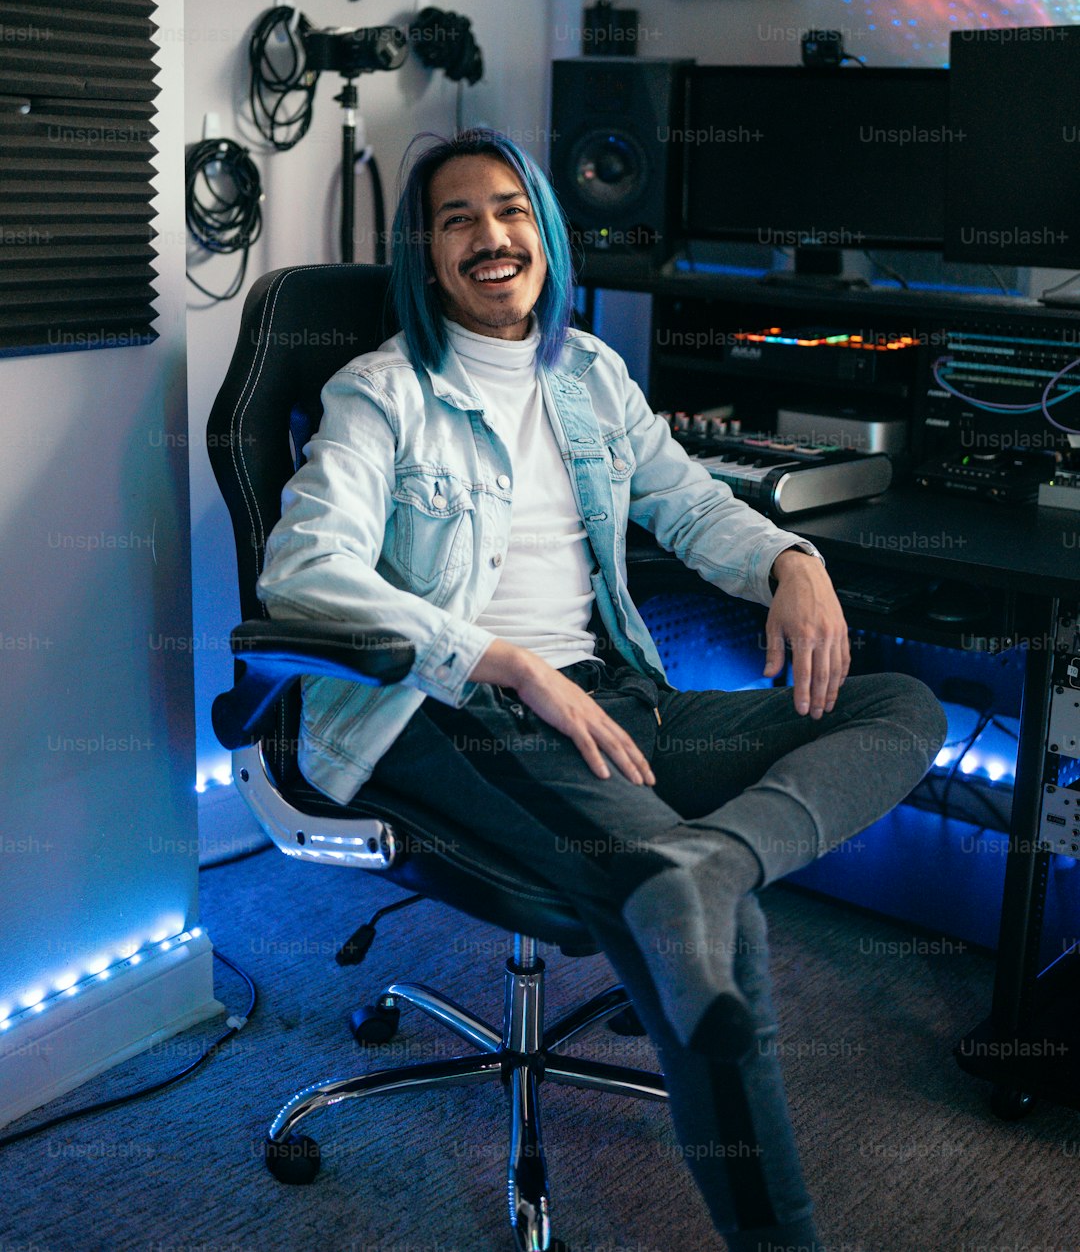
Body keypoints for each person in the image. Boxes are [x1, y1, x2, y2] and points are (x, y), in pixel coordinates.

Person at [257, 128, 948, 1251]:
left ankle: (715, 862)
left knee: (901, 705)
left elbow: (685, 503)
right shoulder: (379, 393)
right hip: (456, 714)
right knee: (710, 933)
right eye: (458, 219)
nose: (492, 237)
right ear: (426, 256)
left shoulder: (589, 374)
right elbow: (306, 571)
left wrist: (793, 560)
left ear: (548, 233)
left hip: (616, 700)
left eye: (512, 211)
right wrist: (508, 662)